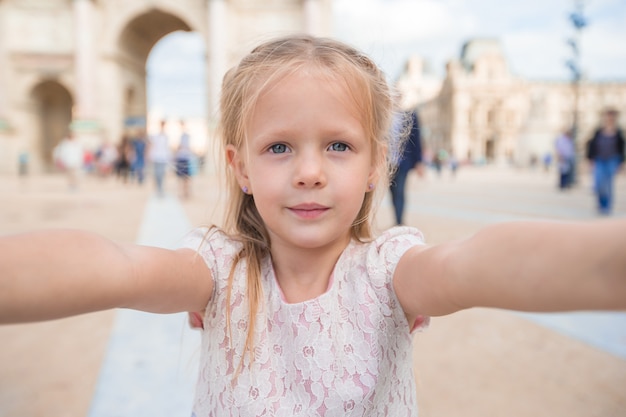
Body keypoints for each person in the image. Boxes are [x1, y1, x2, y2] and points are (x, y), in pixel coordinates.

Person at [1, 35, 626, 416]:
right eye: (278, 148)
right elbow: (114, 267)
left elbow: (480, 262)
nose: (308, 172)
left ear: (379, 164)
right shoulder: (215, 271)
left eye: (338, 146)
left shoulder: (393, 274)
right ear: (238, 165)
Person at [586, 108, 625, 215]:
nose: (609, 119)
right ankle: (600, 203)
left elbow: (622, 149)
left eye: (611, 117)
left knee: (608, 184)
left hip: (612, 160)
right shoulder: (598, 131)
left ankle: (607, 207)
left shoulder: (618, 132)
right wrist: (590, 159)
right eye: (607, 116)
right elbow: (591, 145)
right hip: (599, 160)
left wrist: (621, 162)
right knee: (598, 183)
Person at [389, 110, 423, 225]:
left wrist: (419, 161)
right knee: (392, 192)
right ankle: (397, 218)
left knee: (399, 191)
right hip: (387, 162)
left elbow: (416, 140)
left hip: (403, 162)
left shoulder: (410, 116)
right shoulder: (385, 113)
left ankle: (399, 222)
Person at [149, 119, 171, 197]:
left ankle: (161, 189)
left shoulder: (166, 136)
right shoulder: (156, 136)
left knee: (161, 174)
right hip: (156, 158)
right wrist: (150, 155)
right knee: (157, 174)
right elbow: (153, 146)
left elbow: (167, 148)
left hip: (163, 158)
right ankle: (158, 188)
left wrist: (169, 158)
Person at [175, 120, 194, 199]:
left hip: (185, 158)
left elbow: (184, 147)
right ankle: (185, 192)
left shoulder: (185, 136)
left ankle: (186, 192)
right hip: (182, 157)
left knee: (185, 177)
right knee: (183, 177)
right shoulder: (182, 136)